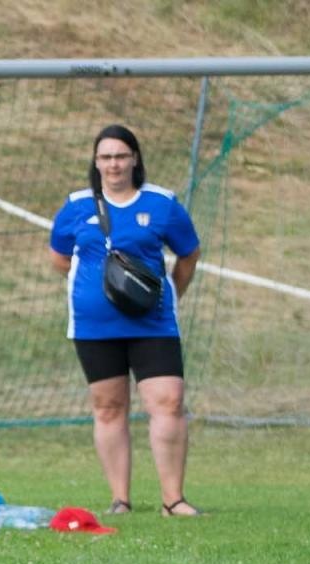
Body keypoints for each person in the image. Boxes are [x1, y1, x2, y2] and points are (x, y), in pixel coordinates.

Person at [48, 124, 202, 516]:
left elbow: (189, 255)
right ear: (95, 162)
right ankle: (121, 499)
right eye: (105, 157)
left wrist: (169, 295)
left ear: (135, 159)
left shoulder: (163, 203)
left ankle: (173, 499)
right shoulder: (76, 206)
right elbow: (60, 259)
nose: (113, 164)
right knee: (108, 408)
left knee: (168, 402)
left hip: (153, 323)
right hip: (94, 326)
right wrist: (96, 293)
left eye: (120, 156)